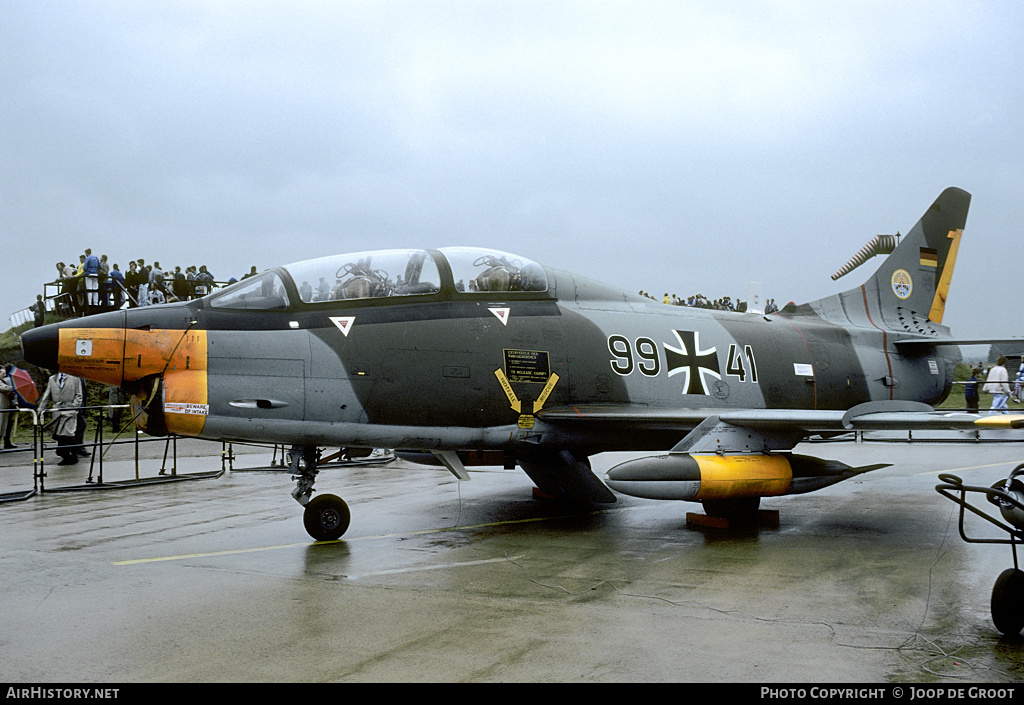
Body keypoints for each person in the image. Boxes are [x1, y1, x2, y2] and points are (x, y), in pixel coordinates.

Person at [38, 371, 83, 464]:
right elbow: (47, 394)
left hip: (69, 410)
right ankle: (66, 455)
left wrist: (73, 407)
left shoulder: (75, 378)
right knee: (59, 434)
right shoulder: (52, 379)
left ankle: (73, 455)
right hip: (57, 411)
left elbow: (79, 395)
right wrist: (41, 409)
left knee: (69, 433)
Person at [0, 366, 15, 450]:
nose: (4, 375)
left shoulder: (2, 381)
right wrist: (16, 388)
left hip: (4, 408)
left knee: (3, 427)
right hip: (1, 408)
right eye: (3, 373)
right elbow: (4, 388)